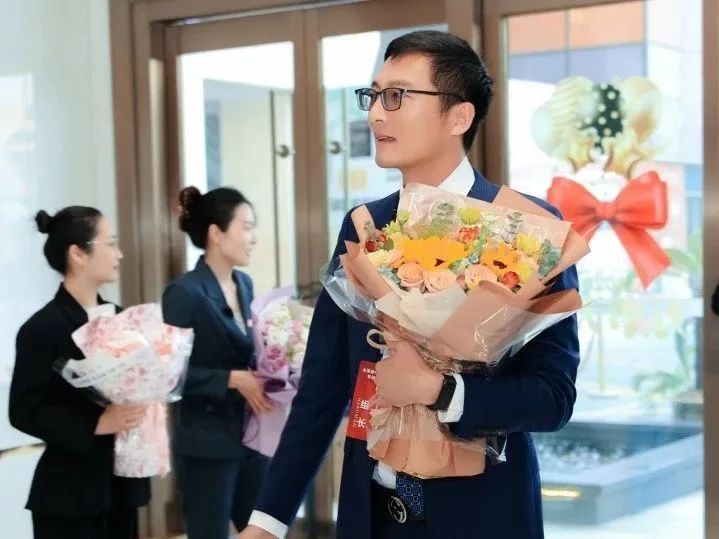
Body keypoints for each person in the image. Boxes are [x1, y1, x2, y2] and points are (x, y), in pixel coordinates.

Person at [239, 30, 580, 539]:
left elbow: (553, 397)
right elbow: (323, 387)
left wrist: (442, 391)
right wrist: (267, 521)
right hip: (371, 512)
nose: (377, 114)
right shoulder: (364, 226)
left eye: (396, 96)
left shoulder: (527, 229)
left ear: (458, 116)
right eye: (374, 96)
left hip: (482, 515)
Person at [9, 206, 150, 539]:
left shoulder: (121, 319)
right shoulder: (41, 328)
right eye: (111, 243)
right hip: (69, 495)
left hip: (120, 489)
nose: (119, 253)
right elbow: (24, 411)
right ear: (78, 254)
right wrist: (97, 423)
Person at [162, 186, 273, 539]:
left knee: (265, 530)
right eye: (247, 227)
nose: (253, 238)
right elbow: (167, 376)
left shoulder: (244, 283)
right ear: (216, 233)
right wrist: (230, 379)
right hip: (206, 443)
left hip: (251, 435)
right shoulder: (184, 293)